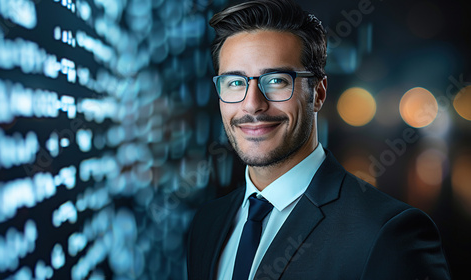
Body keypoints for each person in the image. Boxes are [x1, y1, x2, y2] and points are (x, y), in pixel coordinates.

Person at [187, 0, 451, 279]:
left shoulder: (388, 234)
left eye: (276, 80)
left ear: (319, 93)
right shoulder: (207, 223)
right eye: (235, 82)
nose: (252, 105)